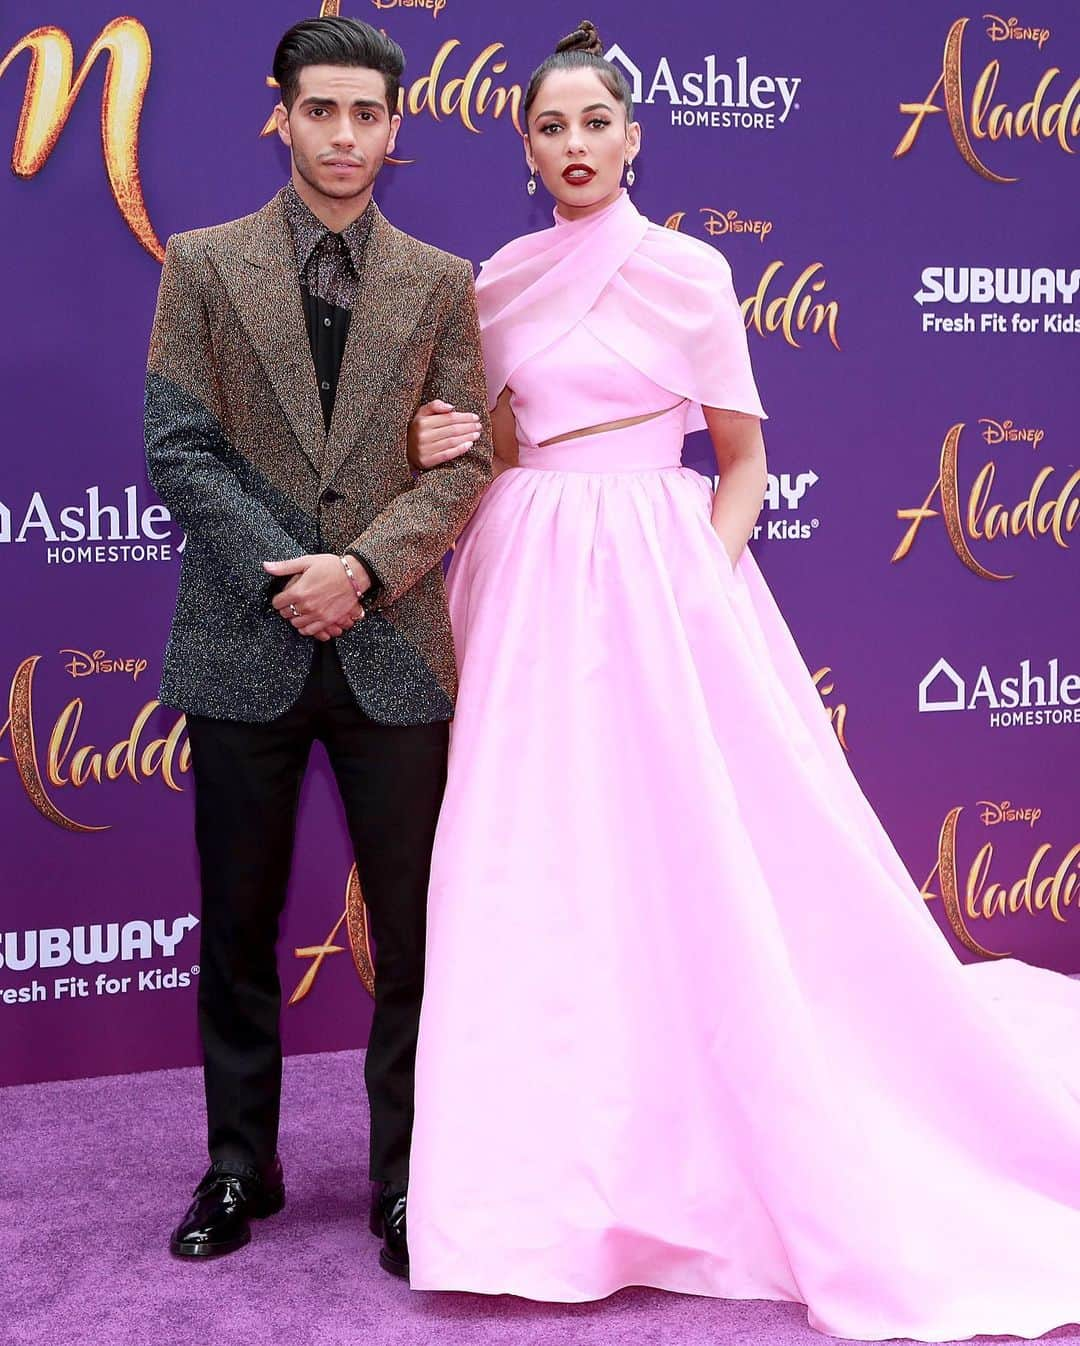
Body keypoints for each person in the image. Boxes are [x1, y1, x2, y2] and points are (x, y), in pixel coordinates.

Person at [405, 20, 1080, 1341]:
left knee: (691, 855)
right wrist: (441, 441)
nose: (576, 146)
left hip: (663, 579)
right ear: (524, 146)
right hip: (529, 576)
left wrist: (702, 584)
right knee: (533, 865)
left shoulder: (693, 273)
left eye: (596, 123)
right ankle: (531, 1194)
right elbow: (484, 447)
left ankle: (699, 1148)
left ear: (635, 135)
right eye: (551, 127)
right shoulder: (495, 281)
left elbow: (745, 460)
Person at [144, 15, 490, 1272]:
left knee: (415, 929)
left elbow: (469, 461)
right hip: (245, 636)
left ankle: (411, 1178)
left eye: (368, 115)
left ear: (396, 129)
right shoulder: (202, 261)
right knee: (234, 922)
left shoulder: (443, 280)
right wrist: (288, 577)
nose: (345, 135)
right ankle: (241, 1165)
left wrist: (366, 569)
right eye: (322, 110)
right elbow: (180, 443)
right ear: (279, 114)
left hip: (394, 645)